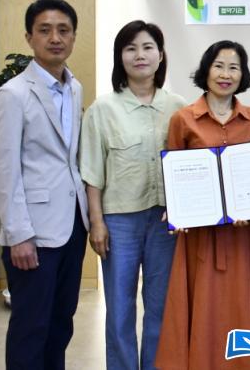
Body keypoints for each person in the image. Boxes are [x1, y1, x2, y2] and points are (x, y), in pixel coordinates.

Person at [155, 40, 250, 369]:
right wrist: (178, 210)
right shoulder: (183, 119)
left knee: (238, 303)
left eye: (234, 67)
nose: (226, 74)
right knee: (204, 304)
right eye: (219, 66)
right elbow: (174, 174)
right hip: (200, 235)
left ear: (242, 75)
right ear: (206, 70)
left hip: (242, 235)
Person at [0, 0, 89, 369]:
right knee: (31, 328)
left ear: (73, 36)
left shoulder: (74, 88)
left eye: (63, 30)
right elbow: (4, 169)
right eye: (44, 30)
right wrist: (18, 234)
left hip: (72, 227)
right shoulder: (13, 94)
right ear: (29, 37)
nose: (55, 38)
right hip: (31, 233)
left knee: (61, 325)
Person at [79, 21, 186, 369]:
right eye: (131, 48)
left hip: (165, 223)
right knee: (119, 307)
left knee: (160, 306)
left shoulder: (179, 107)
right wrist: (97, 223)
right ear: (120, 57)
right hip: (118, 222)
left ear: (161, 56)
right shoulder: (102, 109)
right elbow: (92, 173)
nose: (140, 55)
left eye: (148, 47)